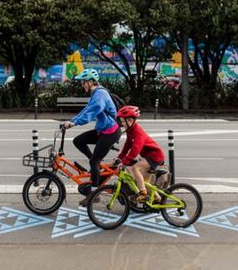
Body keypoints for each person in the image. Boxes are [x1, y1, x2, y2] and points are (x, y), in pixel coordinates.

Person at [63, 68, 122, 206]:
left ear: (91, 82)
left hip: (110, 132)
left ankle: (94, 194)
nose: (82, 84)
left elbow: (93, 111)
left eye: (83, 82)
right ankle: (95, 165)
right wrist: (72, 120)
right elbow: (86, 110)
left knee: (94, 161)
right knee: (78, 141)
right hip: (102, 130)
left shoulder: (100, 95)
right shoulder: (96, 93)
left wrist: (74, 123)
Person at [114, 105, 165, 202]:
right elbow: (127, 145)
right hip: (148, 156)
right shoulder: (130, 130)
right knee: (145, 183)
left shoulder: (138, 132)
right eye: (121, 121)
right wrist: (120, 157)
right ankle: (159, 201)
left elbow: (135, 149)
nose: (122, 123)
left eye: (123, 121)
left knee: (135, 168)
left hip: (154, 156)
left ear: (130, 120)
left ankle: (142, 193)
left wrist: (125, 161)